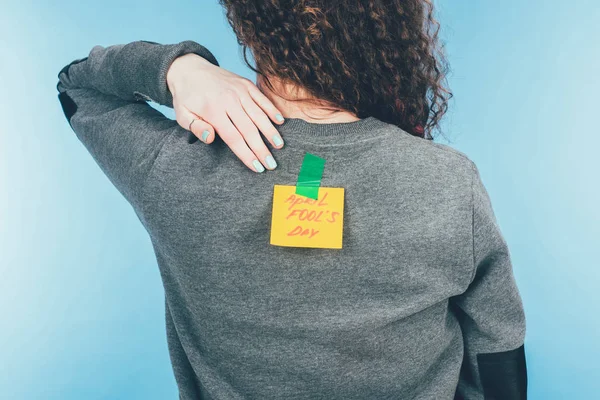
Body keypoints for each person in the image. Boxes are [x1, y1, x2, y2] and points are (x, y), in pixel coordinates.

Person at [56, 1, 527, 399]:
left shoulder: (171, 166)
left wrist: (179, 68)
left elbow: (76, 86)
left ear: (249, 24)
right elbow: (498, 347)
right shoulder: (447, 181)